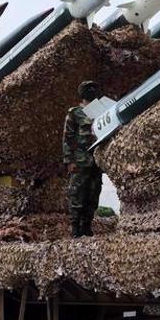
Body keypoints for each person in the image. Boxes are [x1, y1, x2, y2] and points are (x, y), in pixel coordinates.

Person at [63, 80, 103, 237]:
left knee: (93, 195)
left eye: (94, 89)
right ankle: (75, 228)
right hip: (80, 161)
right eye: (89, 90)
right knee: (77, 195)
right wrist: (69, 160)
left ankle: (87, 226)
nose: (92, 92)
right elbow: (67, 138)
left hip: (96, 161)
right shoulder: (75, 113)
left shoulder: (101, 111)